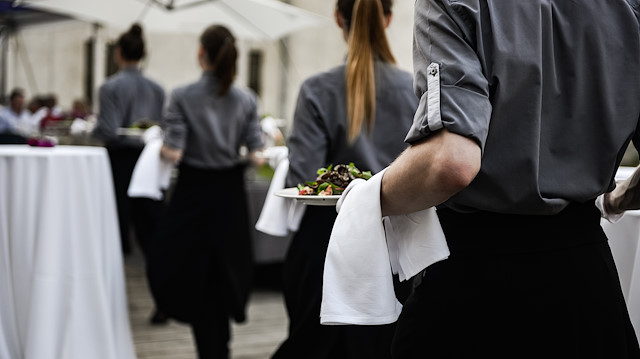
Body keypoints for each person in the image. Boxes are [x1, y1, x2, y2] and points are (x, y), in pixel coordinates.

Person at [337, 1, 640, 358]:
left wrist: (364, 198)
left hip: (474, 283)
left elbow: (451, 162)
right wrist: (613, 200)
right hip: (586, 282)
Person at [271, 1, 418, 358]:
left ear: (338, 17)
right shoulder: (416, 89)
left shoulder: (316, 90)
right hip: (395, 246)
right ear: (388, 18)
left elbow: (304, 178)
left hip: (327, 242)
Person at [146, 24, 265, 359]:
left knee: (190, 270)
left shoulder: (182, 95)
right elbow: (256, 154)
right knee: (225, 271)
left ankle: (210, 348)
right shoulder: (246, 98)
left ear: (201, 53)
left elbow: (175, 152)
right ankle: (219, 347)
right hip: (229, 195)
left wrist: (155, 147)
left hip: (193, 193)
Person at [91, 23, 166, 258]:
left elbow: (110, 131)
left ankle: (119, 262)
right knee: (148, 222)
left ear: (118, 53)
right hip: (149, 159)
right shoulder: (157, 89)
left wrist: (92, 131)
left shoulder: (109, 87)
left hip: (120, 159)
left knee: (118, 218)